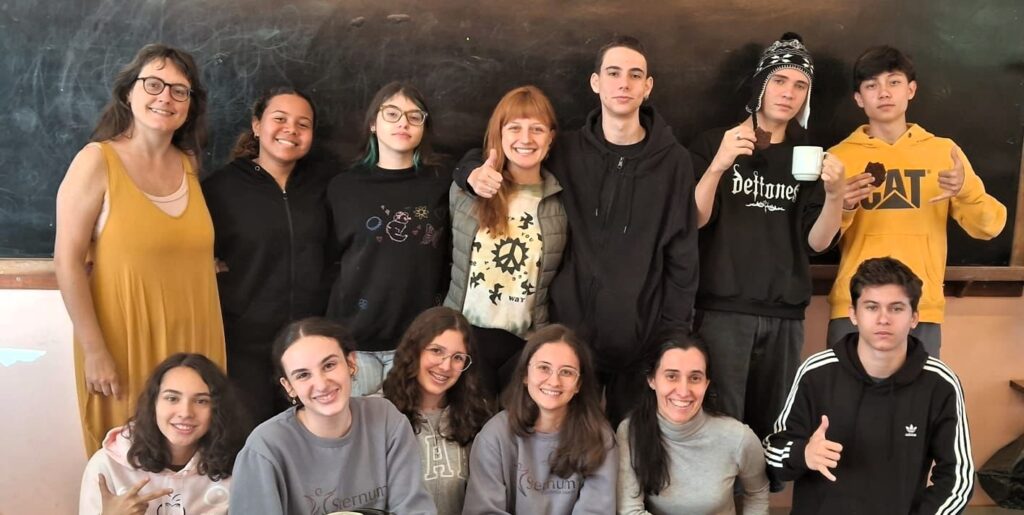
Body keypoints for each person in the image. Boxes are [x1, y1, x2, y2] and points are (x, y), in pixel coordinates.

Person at [458, 35, 698, 426]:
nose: (624, 84)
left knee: (630, 457)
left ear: (647, 87)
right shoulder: (566, 150)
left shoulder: (675, 163)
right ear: (595, 83)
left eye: (635, 75)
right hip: (565, 344)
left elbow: (682, 256)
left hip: (640, 343)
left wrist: (670, 340)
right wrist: (468, 171)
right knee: (559, 451)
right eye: (614, 73)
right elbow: (500, 150)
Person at [54, 43, 225, 455]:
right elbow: (67, 261)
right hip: (124, 344)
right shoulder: (96, 161)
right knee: (129, 463)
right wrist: (95, 351)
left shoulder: (188, 164)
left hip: (196, 338)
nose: (165, 96)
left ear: (189, 106)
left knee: (194, 465)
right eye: (153, 84)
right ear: (128, 92)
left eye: (179, 90)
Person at [687, 32, 845, 441]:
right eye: (779, 80)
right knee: (719, 429)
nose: (788, 93)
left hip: (785, 314)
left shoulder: (809, 153)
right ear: (760, 84)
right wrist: (719, 165)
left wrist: (835, 197)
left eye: (800, 85)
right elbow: (695, 220)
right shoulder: (713, 143)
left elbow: (818, 243)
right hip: (722, 310)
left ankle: (758, 503)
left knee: (774, 430)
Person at [826, 45, 1006, 356]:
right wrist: (843, 206)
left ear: (911, 90)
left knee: (918, 402)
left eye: (893, 82)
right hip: (854, 306)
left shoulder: (942, 152)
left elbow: (989, 228)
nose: (884, 93)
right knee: (844, 402)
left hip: (921, 307)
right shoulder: (839, 157)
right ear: (858, 98)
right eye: (872, 85)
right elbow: (817, 239)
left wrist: (965, 190)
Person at [765, 257, 974, 513]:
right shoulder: (815, 372)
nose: (883, 319)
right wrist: (803, 454)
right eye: (872, 307)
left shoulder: (940, 383)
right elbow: (773, 450)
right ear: (853, 314)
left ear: (914, 317)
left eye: (896, 308)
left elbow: (958, 479)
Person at [203, 87, 332, 424]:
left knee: (308, 443)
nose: (291, 129)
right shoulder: (220, 188)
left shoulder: (327, 185)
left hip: (310, 348)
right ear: (257, 126)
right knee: (250, 444)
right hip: (245, 349)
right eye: (280, 119)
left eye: (303, 124)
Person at [229, 317, 435, 514]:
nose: (321, 384)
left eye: (329, 365)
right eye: (303, 375)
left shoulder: (386, 419)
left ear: (351, 363)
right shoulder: (264, 449)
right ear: (288, 386)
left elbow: (414, 508)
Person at [326, 81, 451, 396]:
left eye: (414, 116)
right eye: (392, 113)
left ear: (425, 127)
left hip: (419, 344)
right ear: (373, 123)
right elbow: (325, 260)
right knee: (355, 440)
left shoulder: (443, 183)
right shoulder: (343, 187)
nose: (403, 123)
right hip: (354, 343)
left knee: (408, 440)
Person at [444, 85, 567, 399]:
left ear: (551, 137)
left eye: (537, 129)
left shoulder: (561, 201)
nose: (525, 139)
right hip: (464, 339)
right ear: (498, 133)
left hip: (524, 347)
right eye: (514, 128)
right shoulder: (467, 190)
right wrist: (469, 173)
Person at [462, 324, 617, 514]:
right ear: (525, 375)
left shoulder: (600, 438)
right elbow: (483, 511)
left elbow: (595, 511)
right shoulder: (495, 435)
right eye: (544, 368)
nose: (554, 381)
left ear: (579, 384)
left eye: (567, 372)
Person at [617, 332, 769, 514]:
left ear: (706, 384)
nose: (683, 391)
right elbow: (630, 510)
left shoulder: (738, 438)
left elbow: (758, 493)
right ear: (652, 380)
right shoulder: (631, 431)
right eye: (671, 376)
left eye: (695, 378)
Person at [79, 353, 247, 515]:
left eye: (201, 401)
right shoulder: (107, 465)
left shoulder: (237, 466)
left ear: (218, 410)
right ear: (153, 404)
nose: (186, 412)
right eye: (172, 398)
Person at [382, 306, 491, 515]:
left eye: (458, 357)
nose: (445, 366)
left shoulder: (479, 416)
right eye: (436, 351)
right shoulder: (380, 413)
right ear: (414, 350)